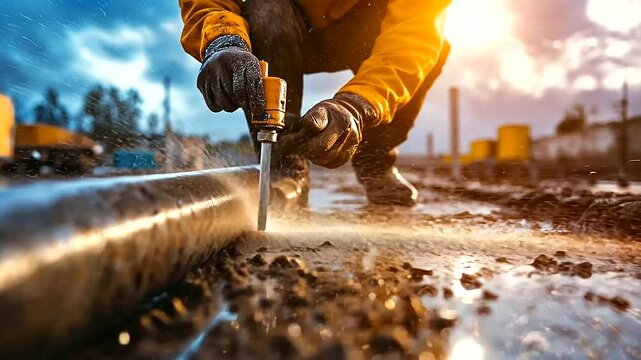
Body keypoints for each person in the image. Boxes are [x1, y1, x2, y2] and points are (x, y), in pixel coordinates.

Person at [179, 0, 451, 206]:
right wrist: (223, 39)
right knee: (267, 11)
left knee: (434, 52)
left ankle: (375, 163)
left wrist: (356, 106)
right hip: (279, 21)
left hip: (365, 25)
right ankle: (283, 166)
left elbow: (413, 37)